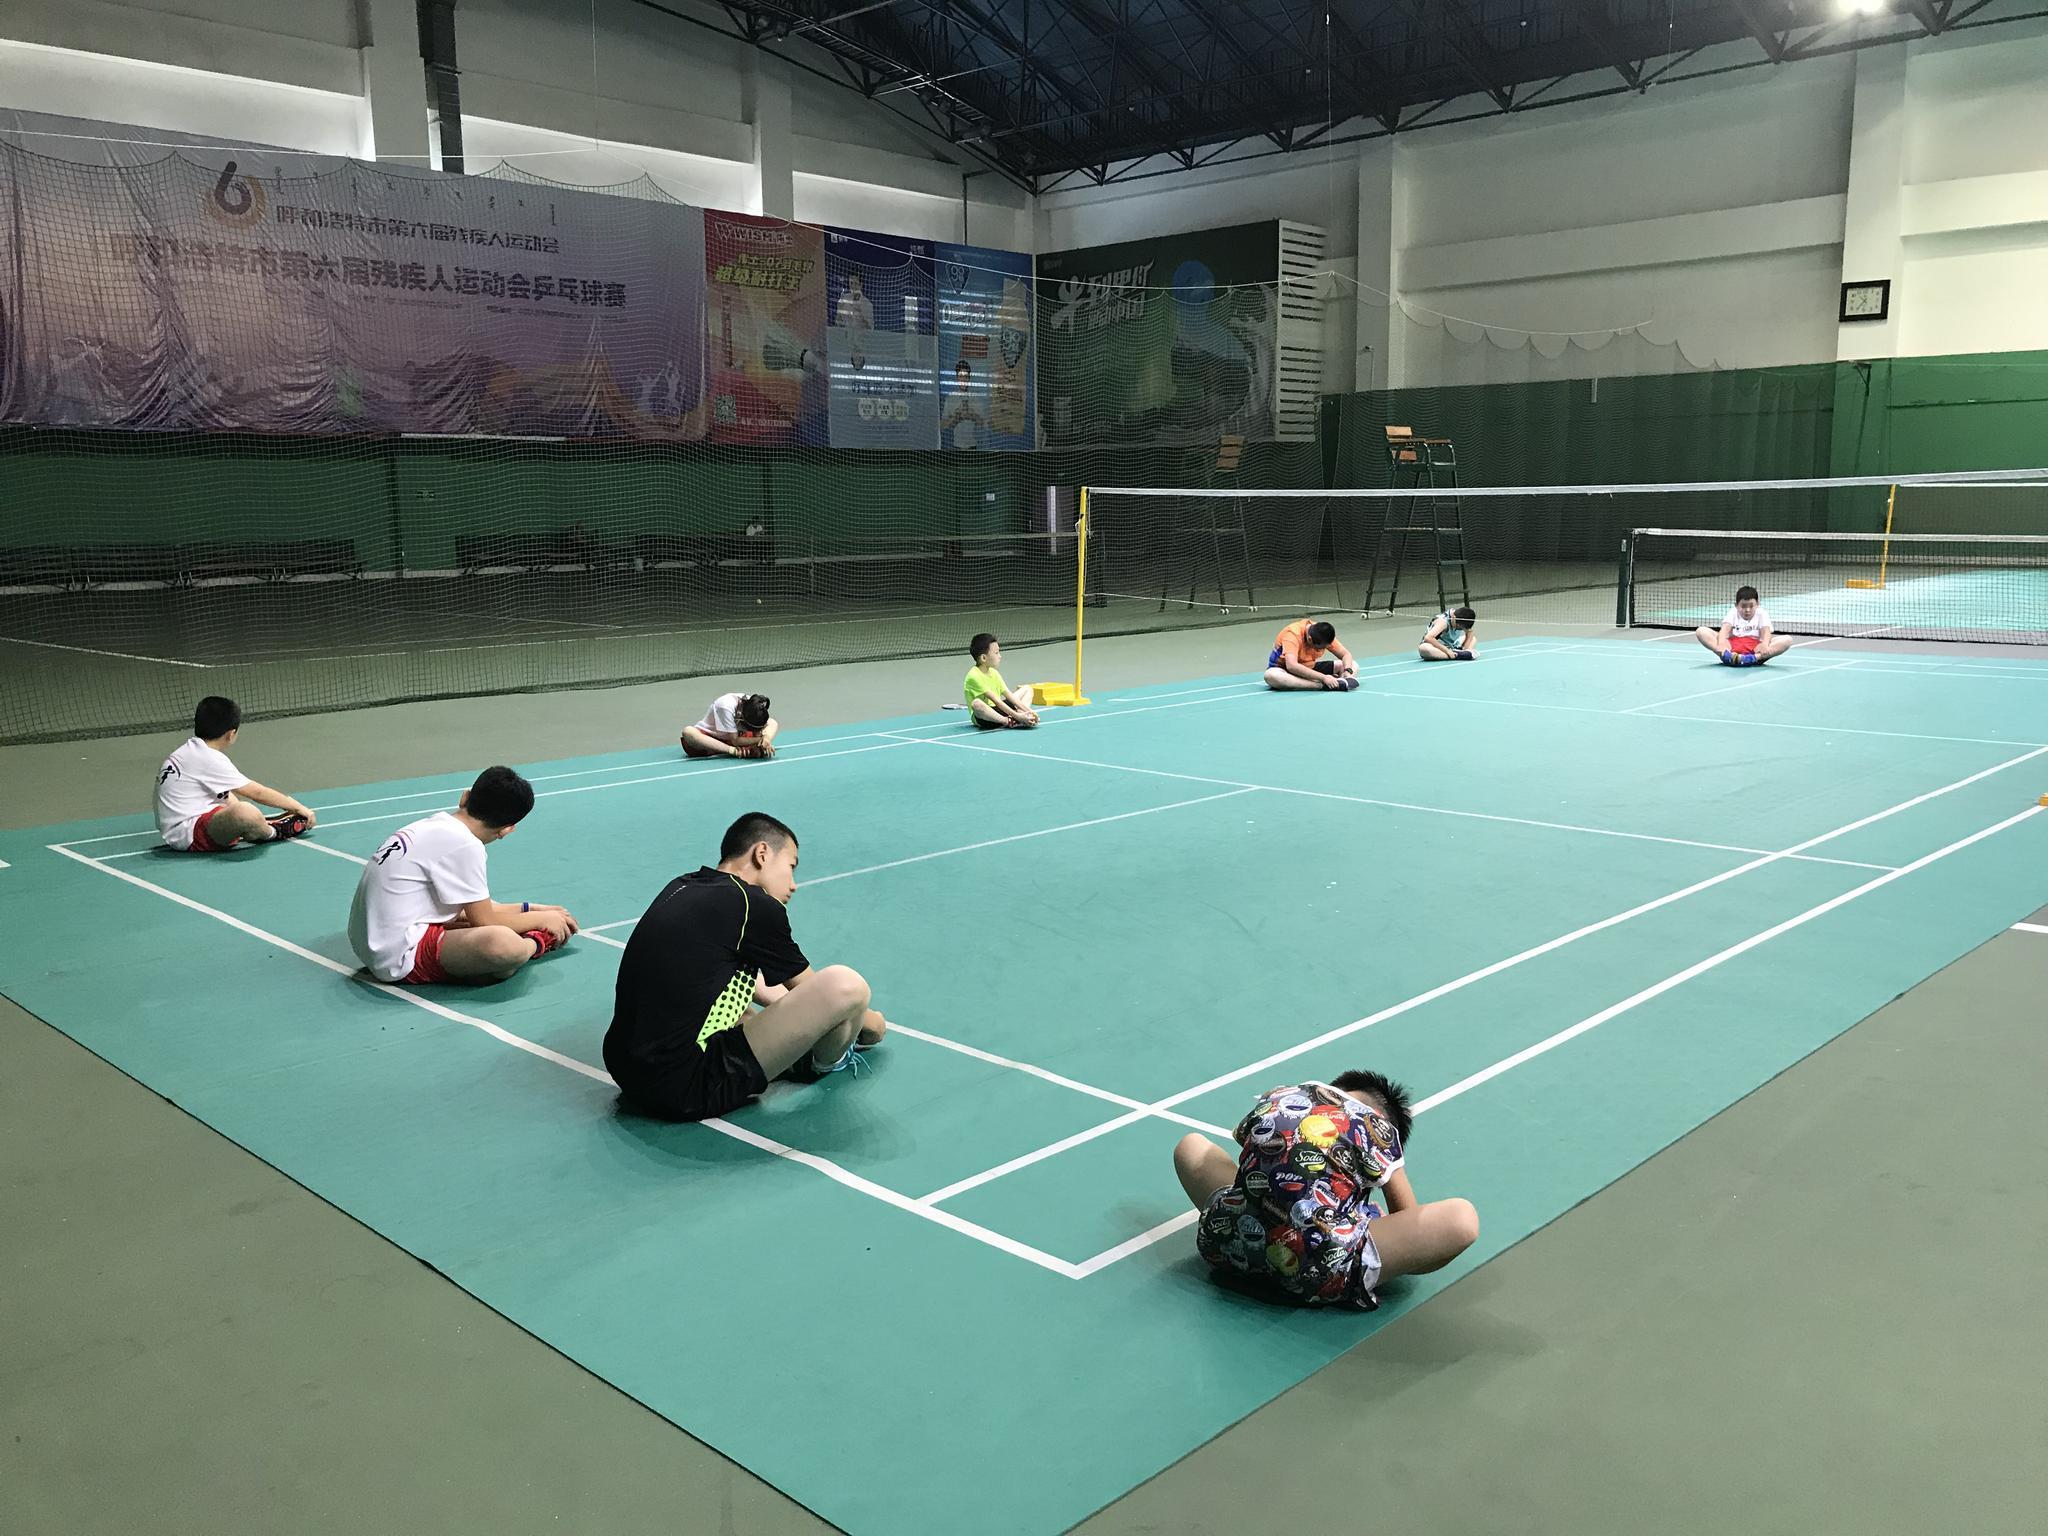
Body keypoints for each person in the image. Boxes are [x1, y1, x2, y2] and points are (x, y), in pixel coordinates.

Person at [604, 812, 888, 1122]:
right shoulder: (753, 904)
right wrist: (870, 1024)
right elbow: (817, 990)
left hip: (627, 1070)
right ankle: (822, 1063)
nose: (793, 885)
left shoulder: (684, 885)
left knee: (742, 994)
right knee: (847, 986)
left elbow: (739, 981)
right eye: (791, 867)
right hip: (687, 1086)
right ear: (762, 853)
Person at [1173, 1072, 1478, 1309]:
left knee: (1191, 1146)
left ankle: (1254, 1235)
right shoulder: (1379, 1128)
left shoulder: (1282, 1094)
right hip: (1316, 1272)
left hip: (1225, 1244)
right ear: (1384, 1116)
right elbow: (1407, 1215)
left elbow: (1251, 1147)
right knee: (1462, 1218)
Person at [346, 766, 577, 985]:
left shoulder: (430, 826)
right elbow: (485, 922)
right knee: (502, 945)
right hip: (398, 957)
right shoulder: (465, 844)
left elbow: (472, 909)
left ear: (464, 797)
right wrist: (542, 921)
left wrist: (531, 909)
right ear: (507, 829)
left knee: (473, 915)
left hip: (369, 945)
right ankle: (534, 944)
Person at [153, 695, 317, 853]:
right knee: (246, 812)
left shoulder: (187, 751)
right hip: (191, 834)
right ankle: (273, 831)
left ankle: (257, 824)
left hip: (178, 829)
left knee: (230, 797)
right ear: (231, 734)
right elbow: (257, 793)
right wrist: (298, 807)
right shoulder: (209, 758)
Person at [1694, 584, 1793, 666]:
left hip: (1755, 649)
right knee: (1701, 631)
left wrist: (1764, 644)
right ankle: (1727, 656)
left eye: (1751, 606)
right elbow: (1724, 630)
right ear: (1736, 605)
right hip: (1732, 648)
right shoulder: (1733, 612)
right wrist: (1722, 643)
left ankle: (1752, 659)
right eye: (1743, 606)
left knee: (1787, 640)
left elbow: (1766, 632)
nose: (1747, 610)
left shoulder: (1761, 613)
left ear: (1757, 604)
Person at [965, 633, 1040, 729]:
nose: (1000, 656)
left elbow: (1010, 696)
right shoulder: (974, 676)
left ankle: (1022, 717)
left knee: (1027, 689)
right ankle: (1008, 721)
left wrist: (1030, 712)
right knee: (976, 704)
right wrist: (1017, 716)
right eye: (996, 653)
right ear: (984, 658)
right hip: (987, 717)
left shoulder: (994, 673)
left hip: (1000, 709)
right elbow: (997, 702)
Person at [1263, 618, 1359, 691]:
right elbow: (1291, 666)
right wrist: (1323, 678)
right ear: (1310, 639)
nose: (1322, 650)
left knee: (1353, 664)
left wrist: (1347, 671)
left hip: (1309, 668)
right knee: (1270, 676)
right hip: (1285, 670)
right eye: (1320, 648)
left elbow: (1346, 654)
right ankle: (1320, 686)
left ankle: (1339, 682)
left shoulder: (1323, 633)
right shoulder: (1292, 635)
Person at [682, 691, 779, 759]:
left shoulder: (753, 704)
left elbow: (761, 727)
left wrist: (766, 738)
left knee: (772, 722)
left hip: (737, 736)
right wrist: (760, 740)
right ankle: (734, 751)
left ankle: (748, 749)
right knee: (688, 731)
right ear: (742, 717)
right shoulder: (725, 706)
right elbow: (735, 740)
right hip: (712, 740)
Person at [942, 359, 985, 450]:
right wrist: (956, 416)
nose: (963, 380)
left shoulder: (975, 399)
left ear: (969, 378)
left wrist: (972, 415)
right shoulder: (950, 398)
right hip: (956, 446)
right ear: (957, 378)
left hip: (973, 446)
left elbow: (982, 423)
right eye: (960, 376)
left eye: (966, 377)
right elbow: (943, 425)